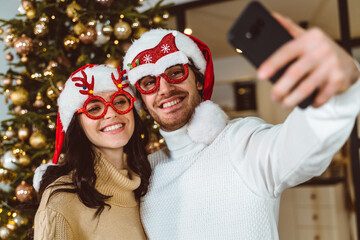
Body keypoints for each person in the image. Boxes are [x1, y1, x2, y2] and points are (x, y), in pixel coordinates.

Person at [122, 13, 360, 239]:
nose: (164, 89)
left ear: (199, 80)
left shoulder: (240, 141)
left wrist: (342, 90)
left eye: (175, 72)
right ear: (142, 100)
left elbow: (302, 149)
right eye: (148, 82)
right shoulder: (145, 171)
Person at [33, 64, 150, 239]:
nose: (111, 113)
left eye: (119, 101)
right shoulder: (61, 200)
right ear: (77, 125)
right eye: (94, 108)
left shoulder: (146, 185)